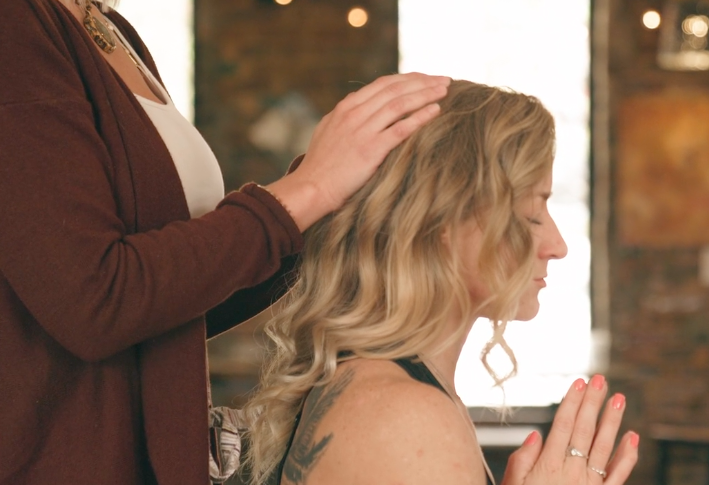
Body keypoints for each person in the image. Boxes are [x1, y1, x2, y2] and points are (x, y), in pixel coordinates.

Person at [0, 0, 450, 483]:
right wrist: (307, 191)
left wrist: (323, 209)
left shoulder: (108, 29)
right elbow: (96, 299)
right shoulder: (16, 24)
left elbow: (165, 306)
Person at [245, 81, 640, 485]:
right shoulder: (405, 417)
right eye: (532, 215)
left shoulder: (391, 390)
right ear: (441, 222)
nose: (557, 246)